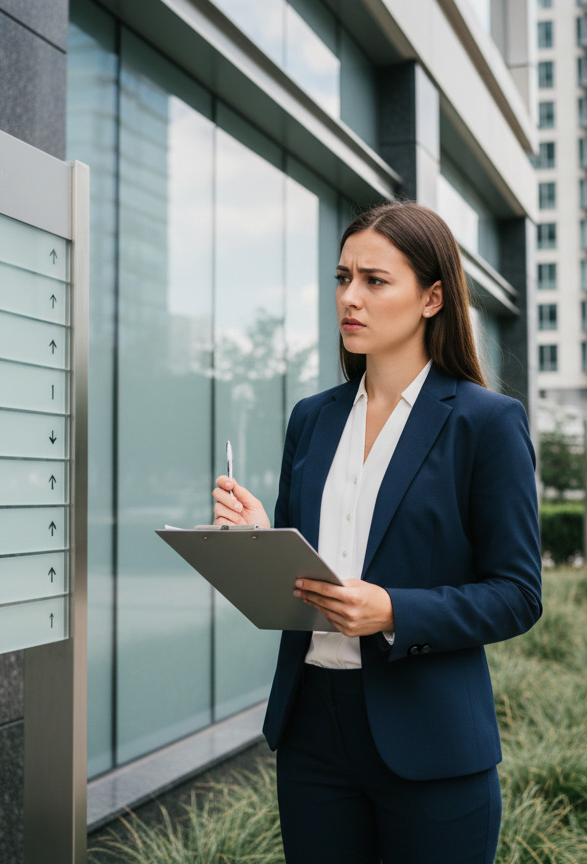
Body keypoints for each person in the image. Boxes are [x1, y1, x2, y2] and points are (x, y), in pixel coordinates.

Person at [212, 200, 542, 863]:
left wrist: (393, 609)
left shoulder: (486, 423)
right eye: (342, 279)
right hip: (312, 732)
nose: (349, 299)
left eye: (374, 280)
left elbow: (516, 594)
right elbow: (311, 570)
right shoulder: (312, 419)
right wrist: (258, 539)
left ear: (433, 297)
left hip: (431, 742)